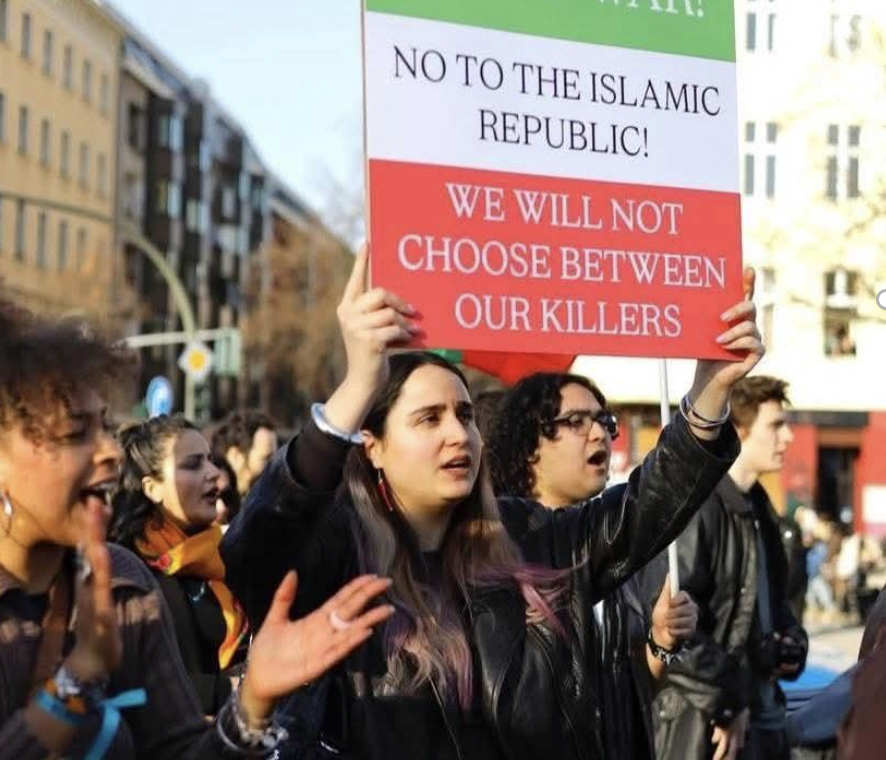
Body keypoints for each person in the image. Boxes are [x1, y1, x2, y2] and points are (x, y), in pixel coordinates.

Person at [222, 247, 764, 760]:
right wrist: (357, 388)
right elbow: (256, 549)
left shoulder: (528, 536)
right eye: (429, 419)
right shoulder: (337, 555)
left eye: (465, 415)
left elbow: (645, 509)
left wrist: (712, 389)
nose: (458, 435)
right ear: (374, 447)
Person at [0, 296, 393, 759]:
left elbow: (182, 751)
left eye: (104, 427)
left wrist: (253, 703)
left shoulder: (123, 581)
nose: (109, 451)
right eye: (74, 434)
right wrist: (77, 680)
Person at [487, 371, 699, 760]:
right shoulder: (501, 556)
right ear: (530, 444)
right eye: (576, 422)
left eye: (604, 421)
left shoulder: (609, 556)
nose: (600, 434)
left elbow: (624, 694)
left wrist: (660, 643)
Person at [648, 375, 808, 760]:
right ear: (739, 429)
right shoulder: (700, 507)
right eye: (775, 425)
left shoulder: (762, 509)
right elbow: (674, 627)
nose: (787, 437)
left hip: (759, 715)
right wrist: (729, 700)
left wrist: (791, 643)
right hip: (704, 724)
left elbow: (771, 605)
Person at [109, 416, 245, 715]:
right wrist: (237, 689)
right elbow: (138, 684)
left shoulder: (223, 555)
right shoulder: (126, 571)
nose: (214, 474)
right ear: (152, 488)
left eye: (210, 460)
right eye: (193, 464)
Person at [210, 410, 278, 496]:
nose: (275, 467)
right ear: (235, 456)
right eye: (266, 459)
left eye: (276, 457)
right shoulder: (211, 501)